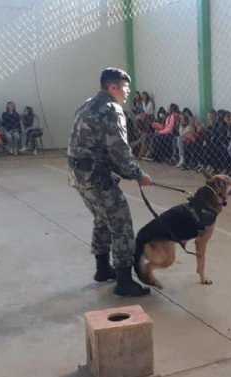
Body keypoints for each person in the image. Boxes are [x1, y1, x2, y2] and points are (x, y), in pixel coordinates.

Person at [67, 67, 152, 297]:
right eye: (125, 87)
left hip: (78, 174)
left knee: (102, 219)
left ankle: (103, 268)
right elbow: (120, 150)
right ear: (113, 87)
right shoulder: (112, 110)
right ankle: (124, 282)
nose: (128, 92)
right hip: (97, 177)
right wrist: (138, 175)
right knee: (121, 225)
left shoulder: (86, 105)